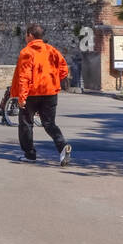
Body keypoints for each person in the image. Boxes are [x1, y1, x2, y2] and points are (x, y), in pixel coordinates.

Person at [11, 23, 72, 165]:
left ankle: (30, 154)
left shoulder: (27, 52)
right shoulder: (52, 50)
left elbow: (24, 76)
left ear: (30, 36)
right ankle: (62, 147)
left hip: (32, 93)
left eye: (26, 35)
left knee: (26, 123)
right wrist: (54, 78)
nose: (25, 38)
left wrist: (22, 97)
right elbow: (64, 68)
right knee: (49, 123)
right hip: (50, 92)